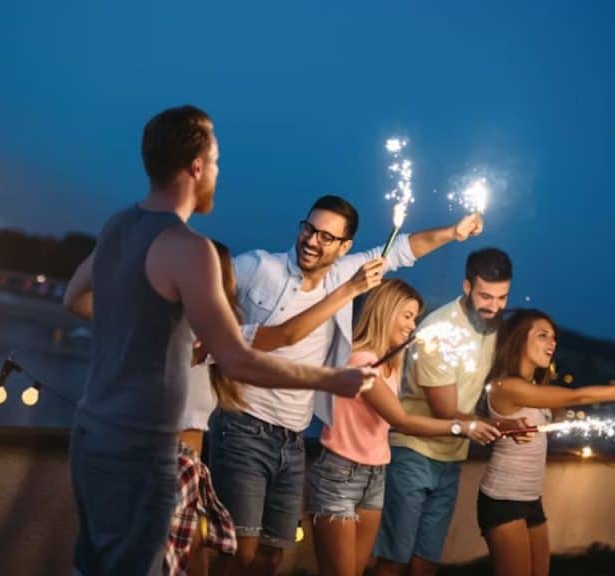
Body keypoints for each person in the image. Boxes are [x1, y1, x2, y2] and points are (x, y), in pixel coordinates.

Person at [62, 106, 372, 576]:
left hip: (91, 433)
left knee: (94, 566)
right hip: (142, 446)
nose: (219, 173)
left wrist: (149, 320)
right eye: (218, 161)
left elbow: (75, 298)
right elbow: (238, 360)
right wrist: (334, 379)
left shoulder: (119, 225)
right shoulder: (190, 249)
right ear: (196, 168)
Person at [211, 195, 486, 575]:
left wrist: (454, 232)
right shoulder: (259, 266)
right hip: (243, 422)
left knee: (272, 555)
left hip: (292, 437)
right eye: (309, 229)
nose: (312, 240)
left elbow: (406, 248)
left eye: (326, 237)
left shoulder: (345, 272)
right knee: (237, 551)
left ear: (344, 248)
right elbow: (213, 295)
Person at [162, 240, 384, 576]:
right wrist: (329, 379)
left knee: (211, 561)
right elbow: (281, 341)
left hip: (189, 472)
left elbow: (275, 341)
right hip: (164, 467)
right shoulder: (191, 333)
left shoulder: (217, 333)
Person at [306, 279, 525, 576]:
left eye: (415, 317)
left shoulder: (392, 364)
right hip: (340, 474)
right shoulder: (360, 360)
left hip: (376, 473)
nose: (413, 325)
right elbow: (401, 420)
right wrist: (462, 427)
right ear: (386, 312)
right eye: (407, 316)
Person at [478, 308, 615, 576]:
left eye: (554, 338)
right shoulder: (505, 386)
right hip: (503, 499)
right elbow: (576, 397)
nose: (552, 343)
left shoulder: (533, 385)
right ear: (518, 339)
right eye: (543, 335)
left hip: (531, 499)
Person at [372, 248, 513, 576]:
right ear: (466, 287)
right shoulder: (440, 329)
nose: (494, 306)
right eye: (486, 296)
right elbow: (445, 410)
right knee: (394, 559)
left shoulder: (493, 327)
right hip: (413, 452)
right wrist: (493, 425)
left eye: (502, 297)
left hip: (452, 457)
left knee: (426, 564)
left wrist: (507, 423)